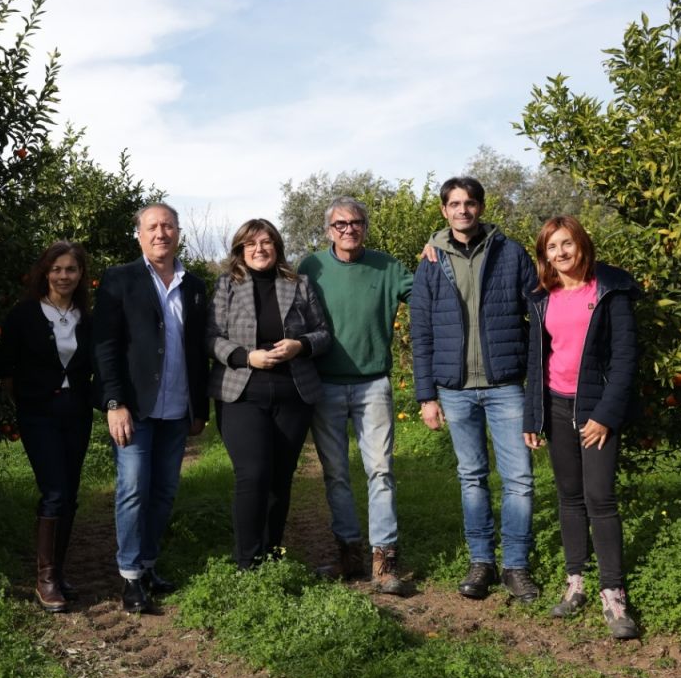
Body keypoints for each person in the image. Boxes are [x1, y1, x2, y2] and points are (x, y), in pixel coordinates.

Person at [410, 176, 541, 603]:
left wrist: (537, 384)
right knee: (472, 477)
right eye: (454, 204)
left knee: (519, 479)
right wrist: (426, 395)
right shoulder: (431, 262)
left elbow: (537, 317)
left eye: (469, 203)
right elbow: (422, 330)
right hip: (455, 387)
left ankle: (516, 567)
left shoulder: (510, 252)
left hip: (505, 384)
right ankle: (481, 561)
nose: (462, 210)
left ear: (481, 208)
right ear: (444, 210)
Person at [522, 215, 641, 639]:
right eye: (552, 248)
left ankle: (614, 591)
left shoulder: (610, 289)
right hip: (555, 405)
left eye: (566, 244)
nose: (561, 253)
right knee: (569, 498)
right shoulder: (541, 296)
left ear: (581, 244)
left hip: (595, 409)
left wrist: (606, 414)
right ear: (544, 256)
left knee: (600, 499)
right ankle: (576, 582)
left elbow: (626, 358)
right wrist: (532, 416)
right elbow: (537, 362)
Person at [93, 202, 210, 613]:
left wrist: (201, 408)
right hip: (134, 409)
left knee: (163, 492)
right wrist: (113, 402)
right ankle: (129, 577)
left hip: (177, 408)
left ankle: (148, 565)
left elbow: (198, 351)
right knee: (132, 490)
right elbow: (105, 346)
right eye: (153, 227)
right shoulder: (119, 279)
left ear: (179, 233)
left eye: (168, 226)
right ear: (139, 234)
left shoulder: (194, 285)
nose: (161, 233)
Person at [297, 196, 412, 595]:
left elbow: (427, 294)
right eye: (341, 224)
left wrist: (435, 250)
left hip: (373, 383)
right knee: (336, 474)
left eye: (356, 222)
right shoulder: (311, 267)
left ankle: (385, 558)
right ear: (329, 229)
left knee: (380, 470)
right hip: (324, 384)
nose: (349, 229)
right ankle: (349, 553)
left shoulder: (388, 266)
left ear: (365, 226)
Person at [207, 219, 330, 570]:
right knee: (253, 473)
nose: (259, 249)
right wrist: (247, 357)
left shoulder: (299, 284)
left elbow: (323, 334)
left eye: (266, 243)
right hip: (242, 392)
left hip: (293, 392)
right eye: (251, 245)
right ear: (240, 252)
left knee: (280, 477)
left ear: (276, 247)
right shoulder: (226, 285)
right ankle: (248, 561)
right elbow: (210, 337)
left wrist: (300, 345)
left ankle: (272, 554)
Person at [0, 241, 93, 613]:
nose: (64, 276)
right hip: (39, 413)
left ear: (81, 275)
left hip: (77, 411)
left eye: (71, 269)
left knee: (69, 492)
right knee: (53, 491)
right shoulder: (24, 314)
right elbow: (5, 366)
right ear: (44, 272)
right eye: (57, 269)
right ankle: (45, 578)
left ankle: (60, 571)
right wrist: (29, 400)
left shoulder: (87, 315)